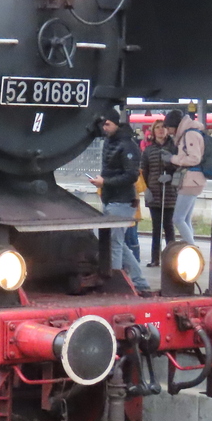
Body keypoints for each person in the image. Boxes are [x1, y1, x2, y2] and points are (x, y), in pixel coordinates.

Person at [89, 111, 151, 296]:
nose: (104, 128)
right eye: (103, 125)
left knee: (113, 243)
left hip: (122, 200)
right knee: (117, 242)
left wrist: (105, 182)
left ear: (116, 123)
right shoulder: (111, 142)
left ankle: (114, 281)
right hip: (111, 198)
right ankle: (139, 281)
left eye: (107, 124)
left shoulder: (127, 145)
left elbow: (131, 175)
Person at [165, 108, 206, 246]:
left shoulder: (190, 134)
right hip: (193, 180)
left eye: (168, 128)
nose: (168, 131)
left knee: (178, 218)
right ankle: (191, 246)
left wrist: (173, 158)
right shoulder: (189, 133)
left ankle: (193, 248)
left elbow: (194, 158)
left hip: (191, 180)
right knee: (186, 218)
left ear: (175, 125)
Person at [141, 119, 177, 266]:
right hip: (154, 193)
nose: (161, 130)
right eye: (157, 128)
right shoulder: (148, 150)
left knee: (168, 226)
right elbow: (144, 172)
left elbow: (180, 169)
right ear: (153, 131)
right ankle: (155, 259)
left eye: (163, 127)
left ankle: (172, 259)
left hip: (170, 193)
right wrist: (145, 189)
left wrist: (171, 176)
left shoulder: (174, 148)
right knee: (156, 228)